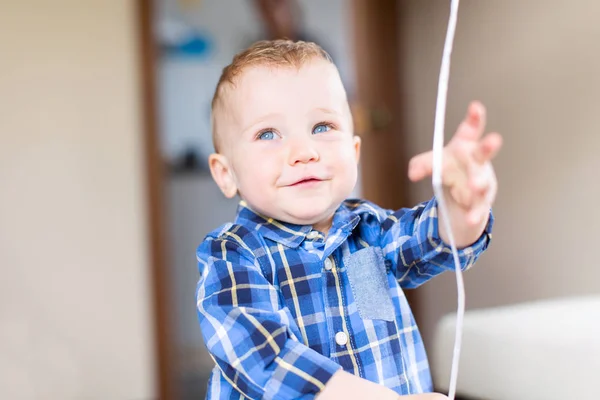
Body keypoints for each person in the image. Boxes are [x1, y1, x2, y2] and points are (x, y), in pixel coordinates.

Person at [196, 39, 502, 399]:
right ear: (225, 173)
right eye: (268, 134)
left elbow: (432, 240)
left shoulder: (368, 230)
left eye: (322, 127)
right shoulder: (233, 253)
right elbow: (267, 361)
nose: (304, 152)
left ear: (354, 152)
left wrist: (463, 207)